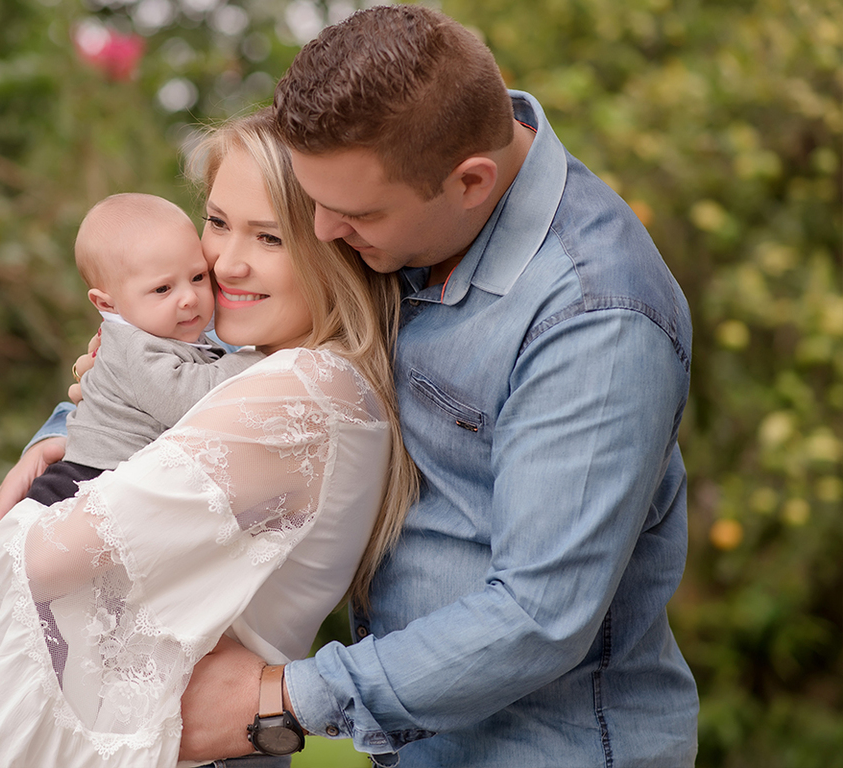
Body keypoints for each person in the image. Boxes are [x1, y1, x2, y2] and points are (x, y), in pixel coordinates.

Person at [173, 6, 699, 767]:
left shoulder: (597, 316)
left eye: (349, 212)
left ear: (471, 182)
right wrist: (71, 422)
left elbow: (538, 614)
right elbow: (243, 322)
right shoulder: (399, 212)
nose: (320, 231)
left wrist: (277, 701)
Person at [0, 110, 418, 767]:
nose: (226, 264)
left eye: (269, 237)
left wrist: (18, 515)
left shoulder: (300, 392)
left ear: (332, 242)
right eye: (217, 222)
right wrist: (55, 441)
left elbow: (38, 559)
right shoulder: (270, 372)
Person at [22, 192, 263, 507]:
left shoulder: (169, 330)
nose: (189, 298)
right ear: (107, 304)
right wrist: (257, 358)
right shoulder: (133, 346)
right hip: (86, 478)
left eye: (198, 276)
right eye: (163, 288)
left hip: (125, 477)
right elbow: (189, 398)